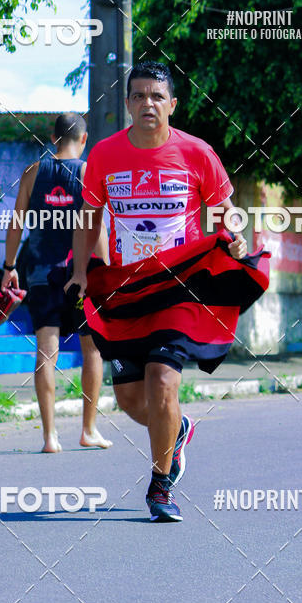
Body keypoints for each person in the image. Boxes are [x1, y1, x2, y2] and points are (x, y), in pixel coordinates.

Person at [65, 61, 248, 522]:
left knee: (163, 380)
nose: (148, 103)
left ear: (172, 104)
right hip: (127, 293)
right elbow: (89, 217)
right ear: (128, 104)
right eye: (139, 95)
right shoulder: (104, 156)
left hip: (179, 291)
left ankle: (160, 485)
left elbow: (226, 209)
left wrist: (237, 236)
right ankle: (178, 429)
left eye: (156, 96)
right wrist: (83, 272)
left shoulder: (197, 152)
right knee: (130, 401)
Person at [1, 112, 112, 453]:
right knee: (91, 349)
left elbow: (16, 224)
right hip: (82, 273)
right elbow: (95, 228)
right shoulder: (87, 172)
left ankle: (50, 437)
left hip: (40, 273)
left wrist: (9, 267)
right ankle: (88, 430)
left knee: (45, 352)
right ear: (83, 139)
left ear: (52, 138)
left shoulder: (32, 172)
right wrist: (107, 269)